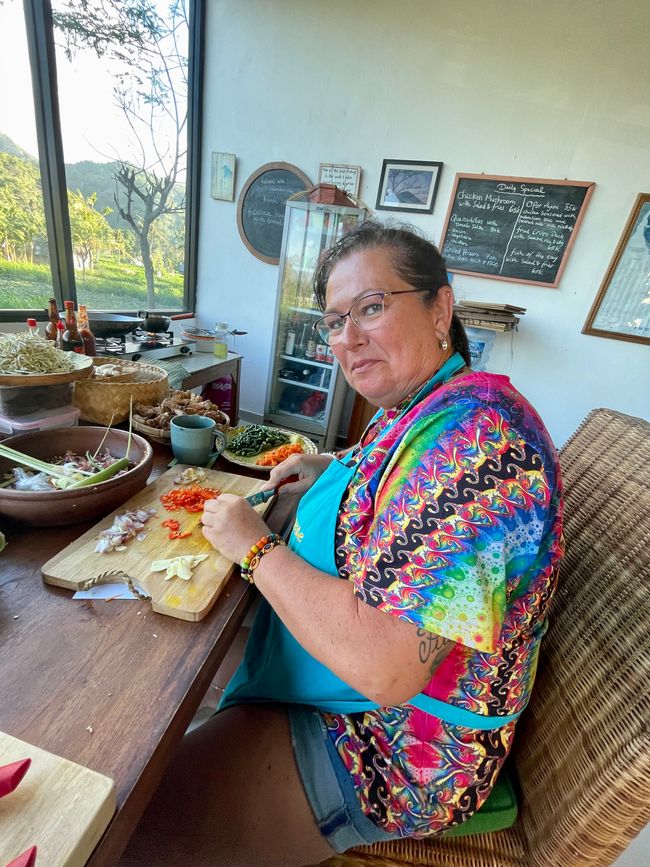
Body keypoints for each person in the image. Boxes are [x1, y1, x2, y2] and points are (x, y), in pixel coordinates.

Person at [121, 223, 564, 867]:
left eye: (372, 307)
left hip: (398, 744)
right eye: (334, 320)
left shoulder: (479, 444)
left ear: (440, 309)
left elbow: (387, 668)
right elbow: (394, 474)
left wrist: (254, 548)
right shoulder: (429, 404)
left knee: (124, 834)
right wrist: (334, 466)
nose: (347, 338)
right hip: (344, 694)